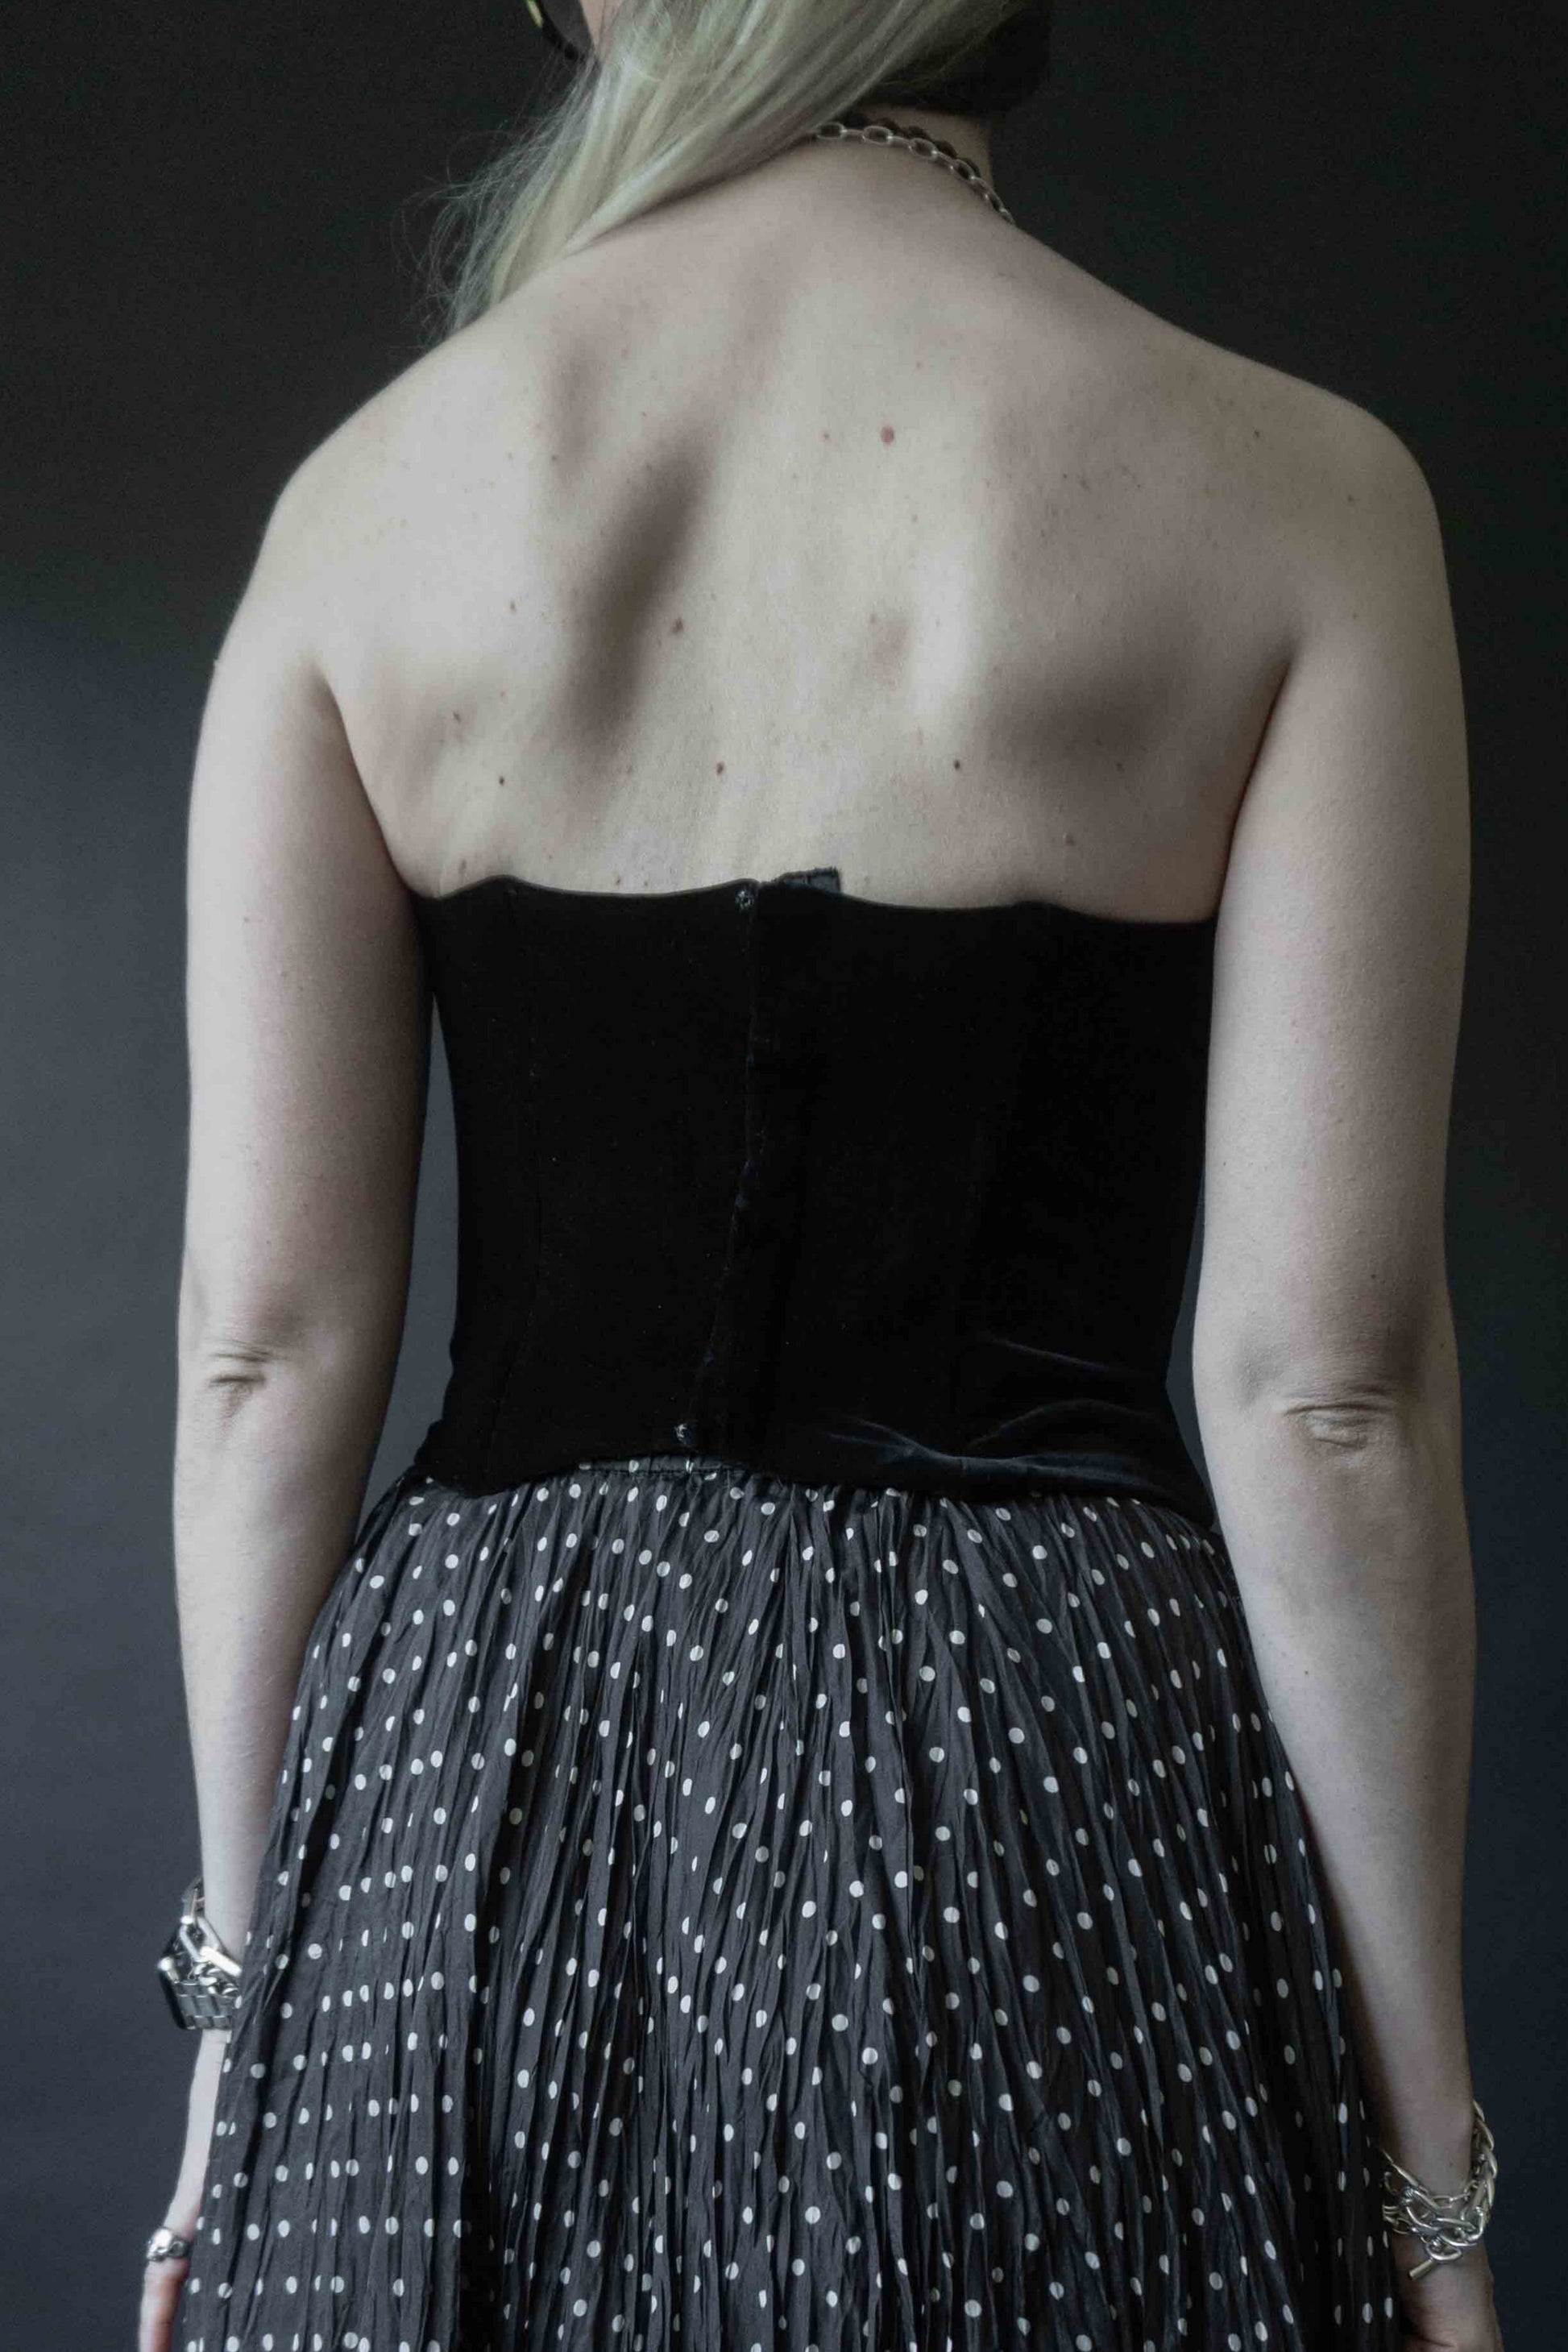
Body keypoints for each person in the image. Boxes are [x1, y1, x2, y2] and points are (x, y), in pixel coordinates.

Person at [139, 2, 1503, 2348]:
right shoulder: (1295, 490)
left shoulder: (366, 504)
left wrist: (242, 2057)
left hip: (482, 1767)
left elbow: (264, 1359)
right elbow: (1327, 1392)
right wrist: (1430, 2183)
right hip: (1045, 1767)